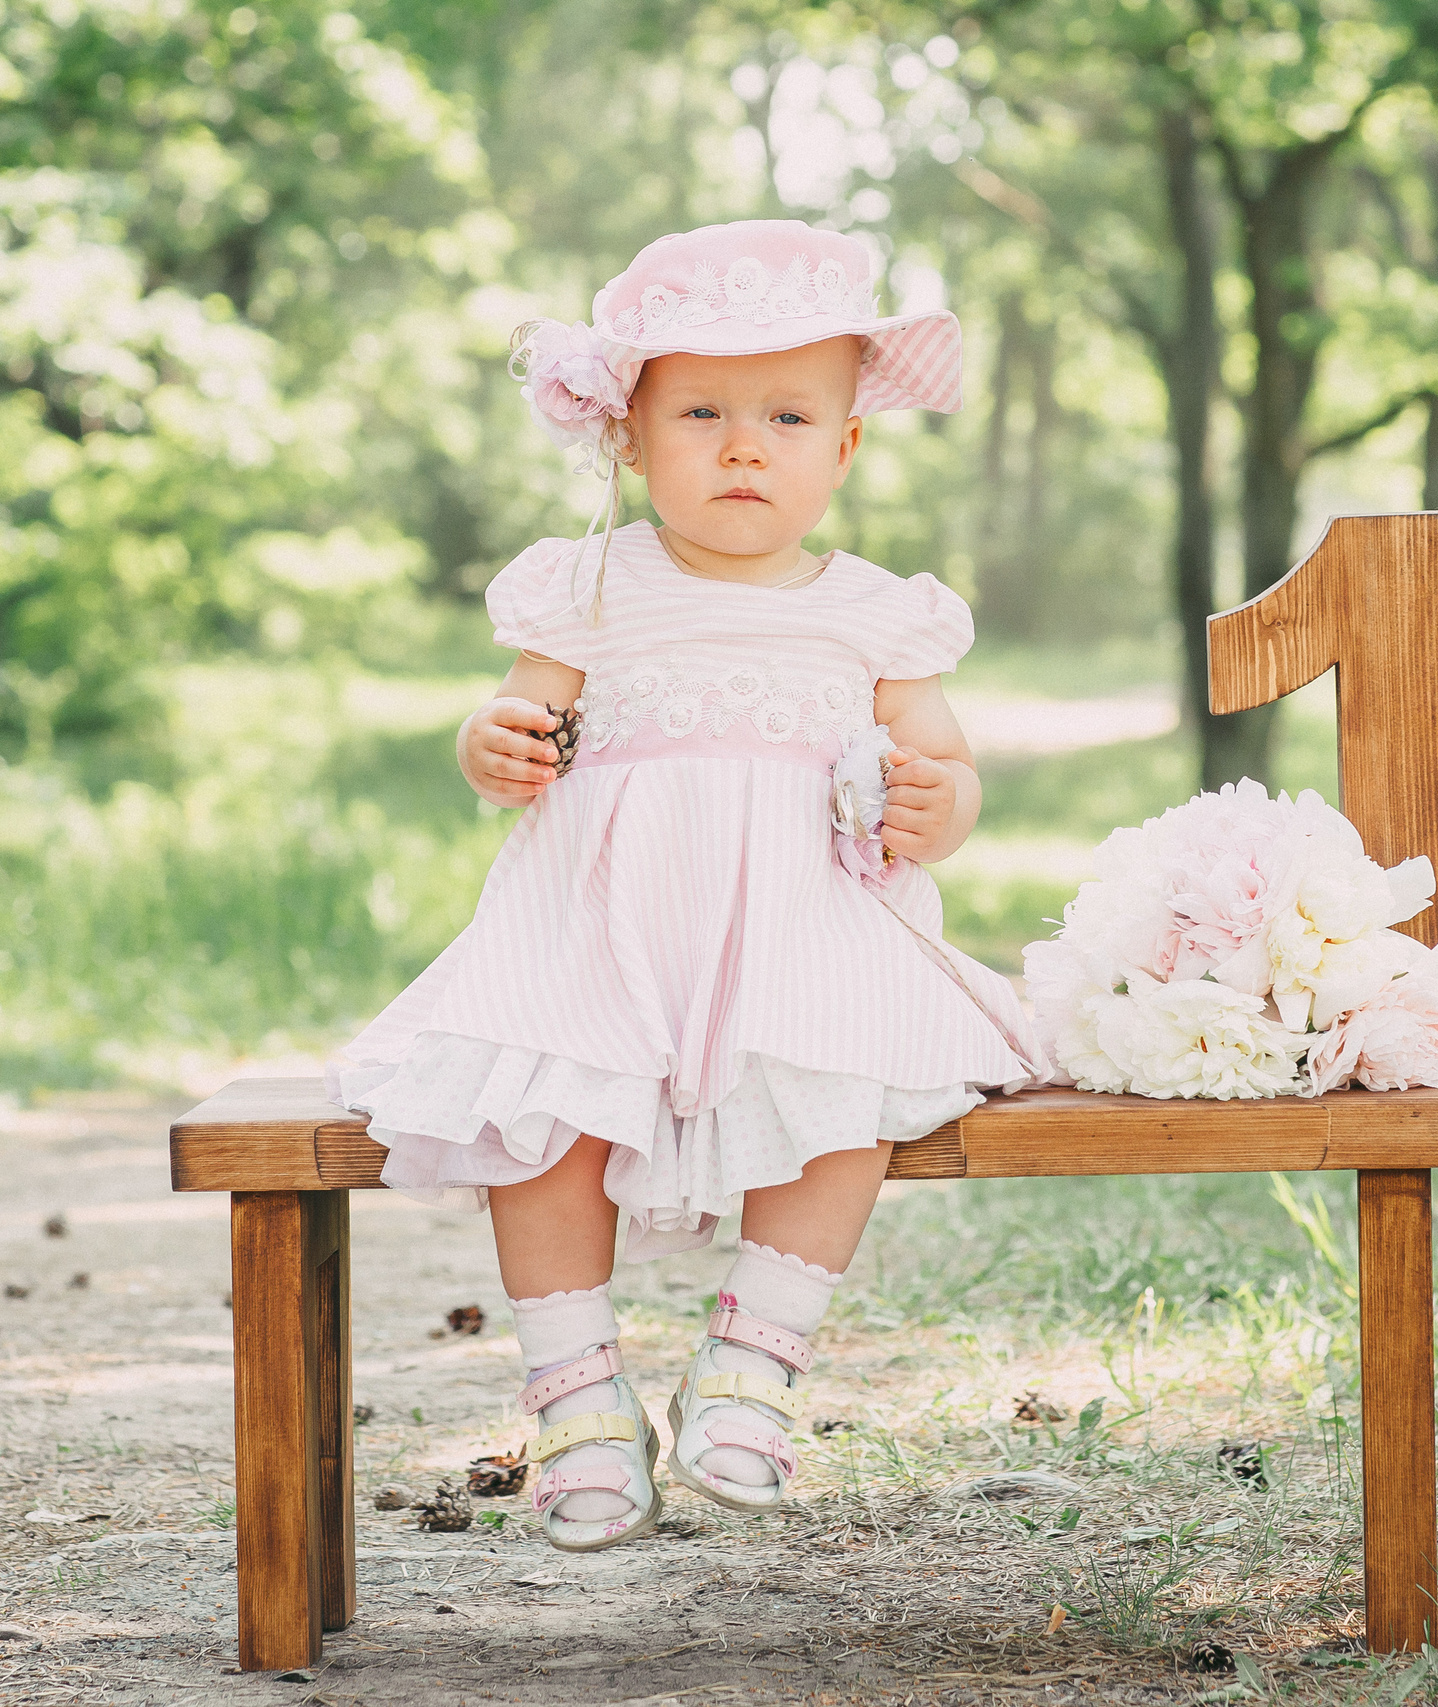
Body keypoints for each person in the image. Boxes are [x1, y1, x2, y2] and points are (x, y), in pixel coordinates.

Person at [330, 220, 1037, 1554]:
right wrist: (494, 747)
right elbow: (516, 723)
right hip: (600, 935)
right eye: (701, 412)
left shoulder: (874, 611)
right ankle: (578, 1394)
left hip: (807, 934)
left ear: (846, 446)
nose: (743, 446)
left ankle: (753, 1364)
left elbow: (940, 768)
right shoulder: (590, 586)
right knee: (547, 1119)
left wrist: (942, 801)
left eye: (787, 415)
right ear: (631, 439)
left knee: (841, 1103)